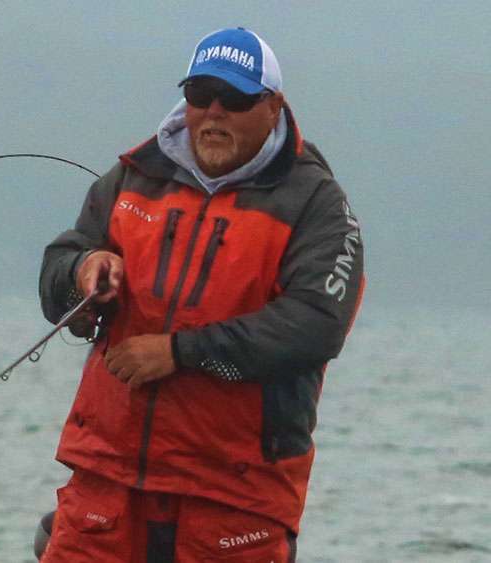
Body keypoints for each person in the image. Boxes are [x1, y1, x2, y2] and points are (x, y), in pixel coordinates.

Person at [36, 28, 364, 562]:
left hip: (237, 490)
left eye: (234, 100)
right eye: (199, 96)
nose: (214, 113)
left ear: (272, 106)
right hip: (108, 475)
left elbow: (316, 324)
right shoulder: (132, 176)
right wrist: (84, 271)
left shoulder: (316, 203)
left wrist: (179, 352)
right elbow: (60, 264)